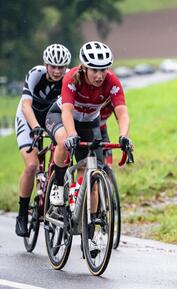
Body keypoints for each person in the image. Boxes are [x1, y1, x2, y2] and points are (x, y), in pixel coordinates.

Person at [45, 41, 132, 226]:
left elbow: (122, 112)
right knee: (62, 142)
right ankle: (59, 188)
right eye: (94, 70)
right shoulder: (72, 77)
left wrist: (123, 135)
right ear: (84, 68)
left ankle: (91, 228)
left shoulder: (112, 81)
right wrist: (71, 135)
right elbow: (67, 112)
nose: (100, 75)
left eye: (104, 70)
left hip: (89, 122)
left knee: (94, 174)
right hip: (61, 117)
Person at [14, 44, 71, 237]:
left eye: (61, 67)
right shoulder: (35, 74)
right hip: (29, 116)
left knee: (62, 151)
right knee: (31, 165)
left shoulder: (69, 78)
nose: (57, 71)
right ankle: (22, 214)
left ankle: (54, 193)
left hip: (52, 117)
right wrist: (35, 127)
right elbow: (26, 105)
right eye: (53, 66)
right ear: (46, 65)